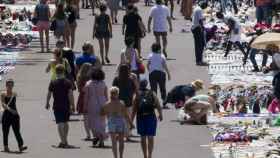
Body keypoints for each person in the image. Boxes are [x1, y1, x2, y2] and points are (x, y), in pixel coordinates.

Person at [132, 79, 163, 158]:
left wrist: (131, 121)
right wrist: (160, 114)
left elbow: (134, 109)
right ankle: (150, 155)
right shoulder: (152, 93)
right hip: (151, 116)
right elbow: (158, 105)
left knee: (143, 137)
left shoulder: (137, 95)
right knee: (150, 137)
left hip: (140, 117)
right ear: (146, 85)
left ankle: (145, 155)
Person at [46, 64, 75, 148]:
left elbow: (49, 93)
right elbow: (70, 95)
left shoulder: (53, 82)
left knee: (59, 123)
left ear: (56, 71)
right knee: (66, 122)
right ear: (63, 71)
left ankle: (63, 141)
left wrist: (47, 102)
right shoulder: (68, 82)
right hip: (66, 105)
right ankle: (65, 140)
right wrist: (72, 105)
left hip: (57, 105)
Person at [101, 87, 134, 158]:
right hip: (120, 121)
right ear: (117, 94)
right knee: (121, 141)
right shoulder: (121, 103)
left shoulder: (107, 104)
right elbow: (126, 114)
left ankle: (115, 156)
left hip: (111, 121)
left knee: (113, 142)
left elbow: (102, 113)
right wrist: (131, 123)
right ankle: (121, 156)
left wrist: (108, 113)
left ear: (110, 94)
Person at [1, 79, 28, 152]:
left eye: (11, 85)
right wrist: (10, 110)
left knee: (17, 131)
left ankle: (20, 146)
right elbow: (3, 104)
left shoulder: (14, 93)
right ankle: (6, 146)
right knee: (5, 132)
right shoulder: (3, 94)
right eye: (8, 85)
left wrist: (14, 112)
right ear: (6, 85)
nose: (10, 87)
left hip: (15, 116)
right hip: (6, 115)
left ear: (13, 85)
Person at [84, 68, 108, 147]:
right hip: (102, 103)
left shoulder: (88, 84)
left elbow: (86, 97)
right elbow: (106, 95)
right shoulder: (103, 83)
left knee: (93, 122)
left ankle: (97, 136)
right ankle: (101, 138)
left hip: (92, 103)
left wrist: (85, 107)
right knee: (102, 122)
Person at [113, 64, 138, 141]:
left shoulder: (116, 79)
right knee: (128, 118)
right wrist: (131, 95)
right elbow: (135, 89)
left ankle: (118, 134)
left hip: (118, 101)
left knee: (118, 118)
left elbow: (113, 89)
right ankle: (127, 135)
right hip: (128, 101)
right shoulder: (130, 79)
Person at [147, 43, 171, 109]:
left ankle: (154, 103)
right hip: (161, 73)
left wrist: (149, 71)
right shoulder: (162, 56)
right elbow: (165, 66)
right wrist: (168, 74)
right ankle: (164, 103)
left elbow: (148, 65)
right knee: (163, 88)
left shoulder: (150, 55)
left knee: (153, 89)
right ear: (159, 49)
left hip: (152, 73)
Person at [76, 63, 92, 140]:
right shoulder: (88, 79)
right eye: (90, 69)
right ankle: (90, 134)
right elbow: (82, 89)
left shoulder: (80, 77)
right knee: (88, 117)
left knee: (86, 118)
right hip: (88, 97)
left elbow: (79, 89)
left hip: (83, 97)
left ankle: (88, 134)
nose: (92, 70)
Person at [191, 1, 208, 66]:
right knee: (199, 46)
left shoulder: (197, 8)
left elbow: (198, 18)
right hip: (197, 29)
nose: (204, 8)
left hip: (195, 28)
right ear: (203, 5)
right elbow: (200, 20)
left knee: (198, 45)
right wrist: (203, 28)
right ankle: (199, 61)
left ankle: (199, 60)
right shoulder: (199, 10)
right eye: (205, 7)